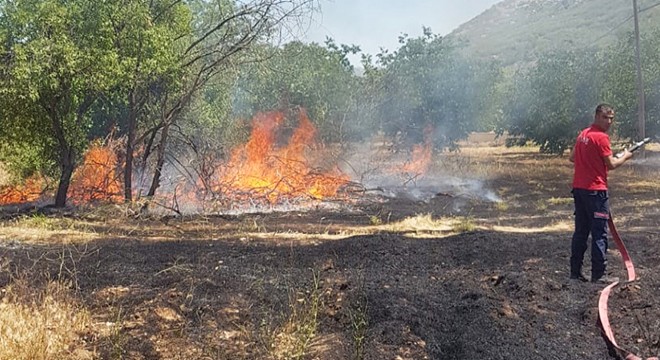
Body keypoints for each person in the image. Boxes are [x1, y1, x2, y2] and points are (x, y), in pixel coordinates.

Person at [569, 103, 633, 283]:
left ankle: (575, 272)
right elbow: (611, 165)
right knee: (599, 232)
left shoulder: (583, 134)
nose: (609, 121)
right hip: (596, 192)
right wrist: (626, 157)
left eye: (611, 118)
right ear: (597, 116)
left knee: (580, 232)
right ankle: (599, 274)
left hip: (579, 189)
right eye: (605, 117)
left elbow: (572, 157)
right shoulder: (601, 138)